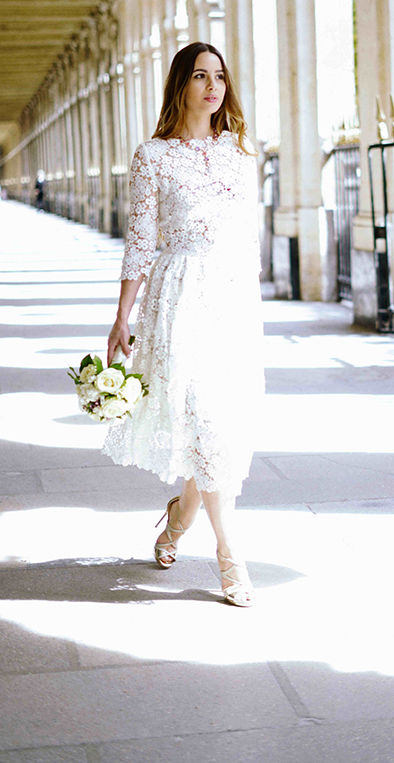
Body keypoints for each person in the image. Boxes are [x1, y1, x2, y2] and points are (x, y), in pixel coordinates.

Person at [105, 42, 264, 608]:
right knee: (203, 420)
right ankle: (230, 557)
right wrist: (123, 316)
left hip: (231, 301)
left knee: (215, 428)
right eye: (200, 75)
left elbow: (250, 238)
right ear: (181, 85)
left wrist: (251, 307)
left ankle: (178, 520)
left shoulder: (241, 153)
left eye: (219, 76)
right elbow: (141, 241)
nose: (212, 85)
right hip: (177, 299)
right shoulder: (152, 156)